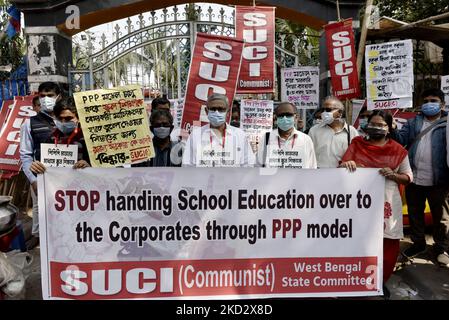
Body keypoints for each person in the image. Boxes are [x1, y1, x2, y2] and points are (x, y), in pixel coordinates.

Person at [340, 110, 413, 292]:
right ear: (366, 125)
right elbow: (342, 165)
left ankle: (379, 282)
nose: (376, 127)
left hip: (387, 200)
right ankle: (356, 280)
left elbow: (408, 177)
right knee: (358, 240)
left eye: (381, 125)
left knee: (387, 243)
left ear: (388, 128)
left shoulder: (398, 150)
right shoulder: (356, 144)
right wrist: (347, 165)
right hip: (359, 200)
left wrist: (394, 175)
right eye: (373, 123)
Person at [391, 88, 449, 265]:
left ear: (442, 104)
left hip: (440, 179)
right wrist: (393, 128)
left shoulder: (447, 124)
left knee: (441, 217)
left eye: (433, 100)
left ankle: (441, 248)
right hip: (414, 177)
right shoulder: (414, 122)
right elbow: (401, 141)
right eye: (425, 101)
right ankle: (418, 244)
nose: (429, 104)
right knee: (415, 213)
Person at [19, 81, 61, 248]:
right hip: (41, 179)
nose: (46, 99)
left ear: (58, 96)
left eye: (50, 96)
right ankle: (41, 241)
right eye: (42, 96)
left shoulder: (70, 119)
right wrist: (33, 180)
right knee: (42, 212)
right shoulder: (29, 124)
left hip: (69, 180)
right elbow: (26, 155)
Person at [182, 93, 255, 167]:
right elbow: (187, 166)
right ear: (207, 111)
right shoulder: (195, 136)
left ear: (228, 112)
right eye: (213, 109)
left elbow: (248, 164)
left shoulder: (240, 135)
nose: (217, 112)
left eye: (221, 109)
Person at [29, 97, 91, 174]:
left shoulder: (88, 139)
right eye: (60, 118)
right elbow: (41, 164)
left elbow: (101, 168)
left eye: (68, 118)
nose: (63, 122)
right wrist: (36, 166)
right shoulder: (51, 139)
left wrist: (89, 167)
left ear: (78, 118)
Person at [256, 102, 316, 169]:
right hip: (273, 178)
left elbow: (312, 167)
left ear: (296, 117)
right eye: (281, 115)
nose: (285, 118)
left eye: (288, 115)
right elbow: (258, 165)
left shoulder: (306, 139)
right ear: (276, 118)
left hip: (299, 179)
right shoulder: (267, 138)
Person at [308, 96, 359, 168]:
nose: (324, 112)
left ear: (340, 112)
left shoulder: (352, 131)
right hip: (318, 175)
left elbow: (357, 156)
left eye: (328, 110)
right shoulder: (314, 130)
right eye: (323, 110)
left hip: (343, 175)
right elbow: (309, 155)